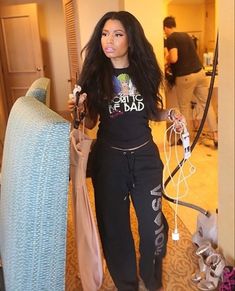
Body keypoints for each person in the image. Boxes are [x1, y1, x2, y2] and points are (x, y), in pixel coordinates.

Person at [68, 11, 186, 291]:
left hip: (145, 159)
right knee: (116, 231)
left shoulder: (145, 70)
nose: (108, 40)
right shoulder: (95, 75)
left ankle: (152, 279)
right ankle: (127, 284)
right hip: (109, 161)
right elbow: (93, 121)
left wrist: (171, 114)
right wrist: (81, 110)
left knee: (153, 228)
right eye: (105, 33)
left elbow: (151, 112)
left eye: (117, 34)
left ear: (130, 39)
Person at [163, 16, 218, 148]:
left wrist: (167, 57)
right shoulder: (187, 36)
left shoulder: (170, 39)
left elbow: (174, 58)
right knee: (207, 105)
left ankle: (186, 138)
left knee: (184, 108)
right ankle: (216, 136)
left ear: (165, 28)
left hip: (185, 77)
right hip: (200, 73)